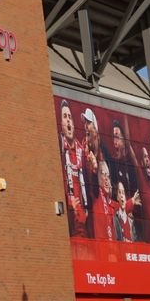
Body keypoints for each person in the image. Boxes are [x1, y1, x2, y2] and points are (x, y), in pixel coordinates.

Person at [105, 120, 143, 243]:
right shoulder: (114, 163)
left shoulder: (130, 163)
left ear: (123, 139)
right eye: (113, 137)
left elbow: (137, 193)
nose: (115, 141)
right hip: (121, 219)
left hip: (134, 220)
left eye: (117, 136)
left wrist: (133, 210)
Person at [59, 102, 92, 239]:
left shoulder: (82, 150)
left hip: (85, 223)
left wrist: (93, 167)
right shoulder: (59, 147)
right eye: (65, 116)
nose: (68, 120)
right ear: (61, 123)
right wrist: (67, 201)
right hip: (68, 223)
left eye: (70, 117)